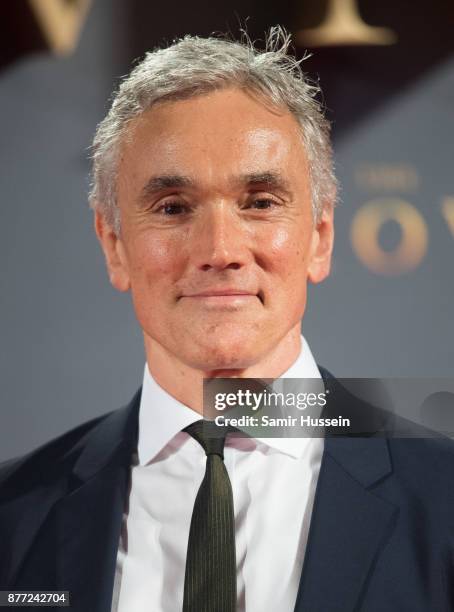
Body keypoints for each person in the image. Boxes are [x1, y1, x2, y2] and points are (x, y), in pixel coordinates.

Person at [1, 27, 454, 612]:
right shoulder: (13, 517)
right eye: (173, 207)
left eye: (260, 202)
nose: (220, 248)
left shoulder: (445, 502)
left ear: (320, 237)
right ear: (114, 245)